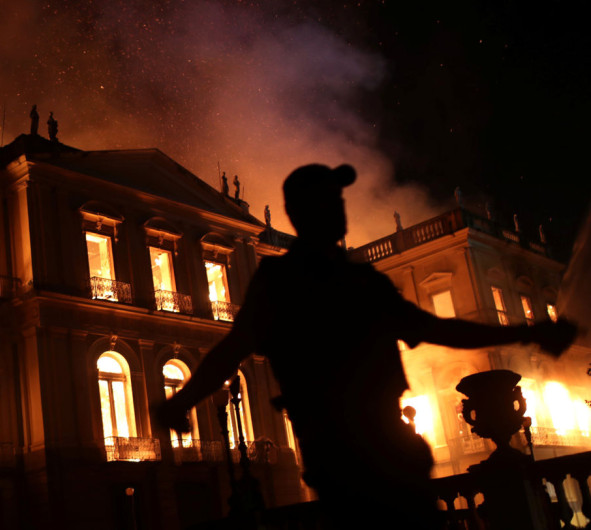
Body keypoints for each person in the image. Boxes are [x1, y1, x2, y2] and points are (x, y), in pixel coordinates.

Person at [158, 163, 576, 529]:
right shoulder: (288, 282)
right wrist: (183, 400)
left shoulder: (347, 280)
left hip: (378, 451)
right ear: (304, 213)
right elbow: (233, 349)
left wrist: (183, 401)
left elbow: (435, 328)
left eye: (339, 199)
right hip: (350, 456)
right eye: (329, 200)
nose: (340, 208)